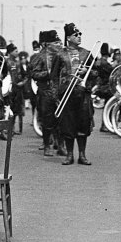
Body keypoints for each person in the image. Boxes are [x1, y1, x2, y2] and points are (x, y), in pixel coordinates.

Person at [54, 23, 94, 165]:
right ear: (68, 37)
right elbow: (54, 77)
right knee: (68, 125)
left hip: (82, 94)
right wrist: (56, 97)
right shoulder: (60, 54)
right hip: (67, 95)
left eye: (80, 35)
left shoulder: (86, 53)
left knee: (83, 124)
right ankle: (69, 155)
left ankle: (82, 155)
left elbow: (96, 73)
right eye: (76, 35)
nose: (79, 37)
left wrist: (87, 74)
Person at [29, 30, 61, 157]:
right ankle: (47, 145)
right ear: (47, 44)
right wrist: (48, 74)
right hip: (46, 92)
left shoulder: (60, 55)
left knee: (60, 121)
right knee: (47, 120)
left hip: (58, 92)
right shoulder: (40, 56)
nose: (58, 44)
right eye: (55, 42)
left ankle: (60, 145)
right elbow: (34, 74)